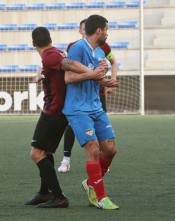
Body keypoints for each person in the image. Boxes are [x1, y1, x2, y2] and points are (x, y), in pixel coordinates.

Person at [26, 27, 105, 208]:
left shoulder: (50, 56)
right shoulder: (54, 52)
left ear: (33, 44)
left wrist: (94, 76)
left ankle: (59, 196)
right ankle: (44, 193)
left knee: (36, 153)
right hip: (59, 110)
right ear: (51, 39)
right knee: (46, 151)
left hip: (53, 111)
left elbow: (69, 64)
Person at [63, 14, 119, 209]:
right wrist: (93, 74)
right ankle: (100, 197)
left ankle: (90, 183)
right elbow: (68, 77)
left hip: (96, 107)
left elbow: (95, 78)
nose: (107, 34)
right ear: (98, 31)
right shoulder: (78, 48)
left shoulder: (100, 54)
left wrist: (106, 81)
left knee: (110, 150)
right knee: (93, 149)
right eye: (106, 30)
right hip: (78, 108)